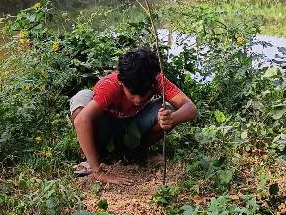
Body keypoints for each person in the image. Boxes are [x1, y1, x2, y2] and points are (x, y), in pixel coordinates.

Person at [70, 48, 197, 184]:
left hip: (133, 129)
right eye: (132, 93)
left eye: (143, 94)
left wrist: (170, 118)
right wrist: (98, 172)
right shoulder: (110, 85)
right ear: (122, 83)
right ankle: (93, 158)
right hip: (105, 129)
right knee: (81, 99)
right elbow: (81, 120)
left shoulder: (156, 79)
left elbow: (190, 108)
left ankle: (135, 154)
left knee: (168, 108)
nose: (138, 99)